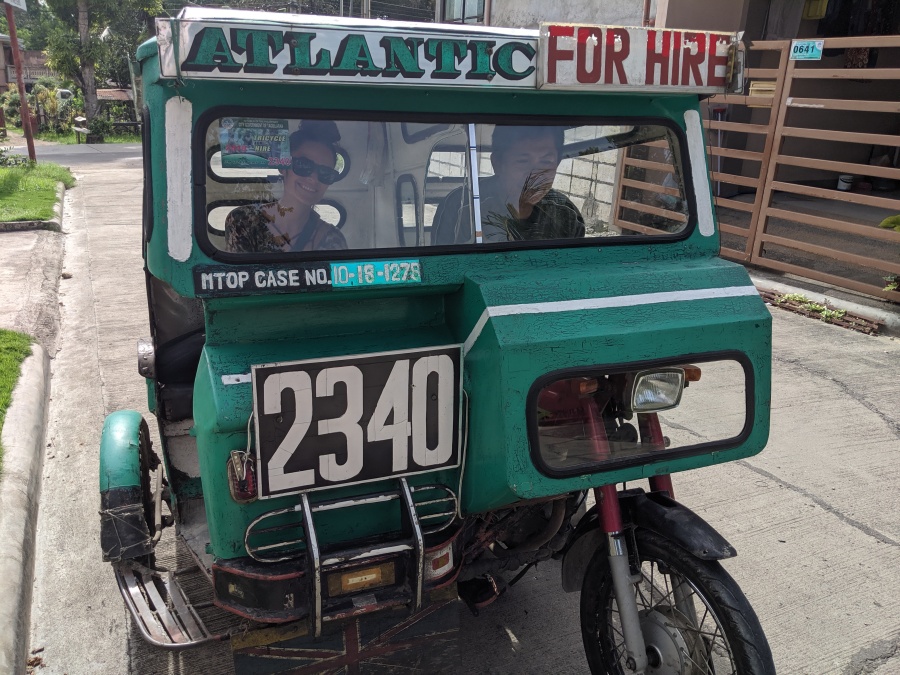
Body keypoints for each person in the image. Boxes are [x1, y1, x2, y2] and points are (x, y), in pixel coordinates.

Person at [431, 125, 585, 245]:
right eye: (523, 161)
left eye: (546, 162)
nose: (535, 175)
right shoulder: (462, 207)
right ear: (497, 163)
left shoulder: (566, 214)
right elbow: (443, 270)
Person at [225, 120, 348, 253]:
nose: (313, 178)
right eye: (303, 165)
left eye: (325, 173)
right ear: (284, 167)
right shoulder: (243, 221)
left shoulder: (332, 239)